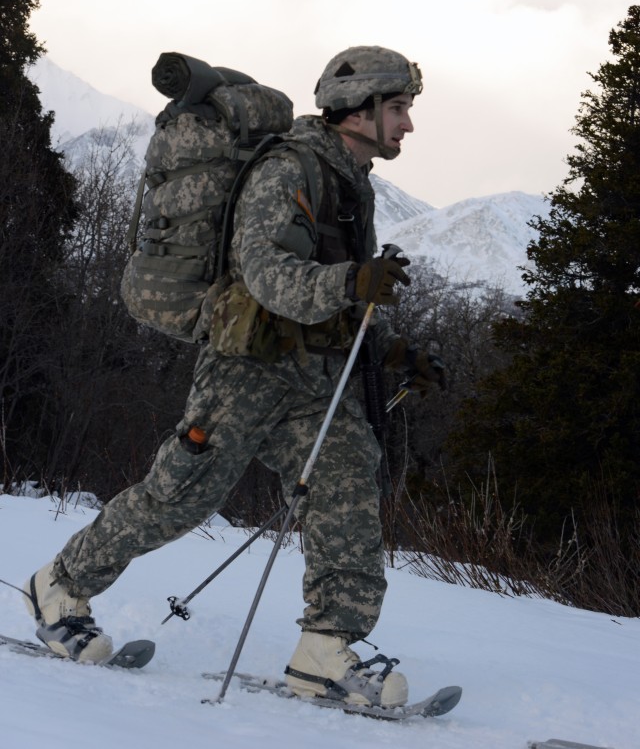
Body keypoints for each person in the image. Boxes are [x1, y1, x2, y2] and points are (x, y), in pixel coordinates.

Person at [24, 45, 444, 708]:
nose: (408, 124)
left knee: (347, 484)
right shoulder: (289, 168)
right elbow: (266, 276)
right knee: (181, 496)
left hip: (312, 376)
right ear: (357, 108)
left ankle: (325, 649)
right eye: (397, 108)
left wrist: (391, 351)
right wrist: (352, 281)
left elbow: (335, 296)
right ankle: (60, 583)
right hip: (245, 367)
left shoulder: (350, 178)